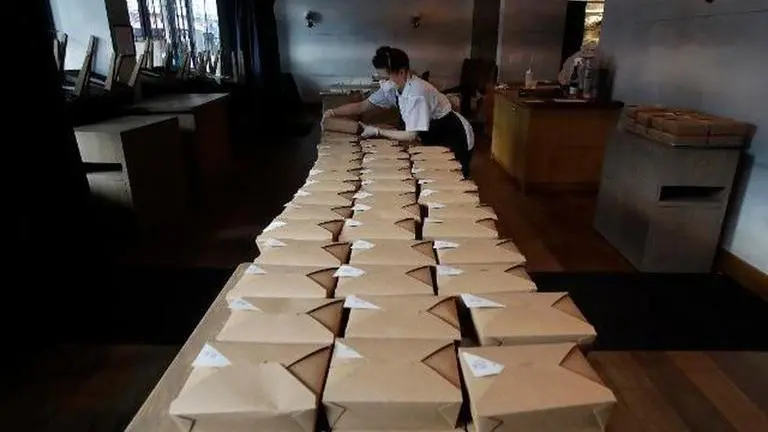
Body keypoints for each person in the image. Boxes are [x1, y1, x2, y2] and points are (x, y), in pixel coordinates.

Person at [323, 46, 475, 178]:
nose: (383, 82)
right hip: (431, 135)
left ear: (401, 72)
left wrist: (377, 131)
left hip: (452, 135)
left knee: (453, 178)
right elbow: (362, 106)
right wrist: (332, 112)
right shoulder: (392, 88)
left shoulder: (416, 93)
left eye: (386, 78)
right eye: (380, 78)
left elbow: (411, 135)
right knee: (432, 176)